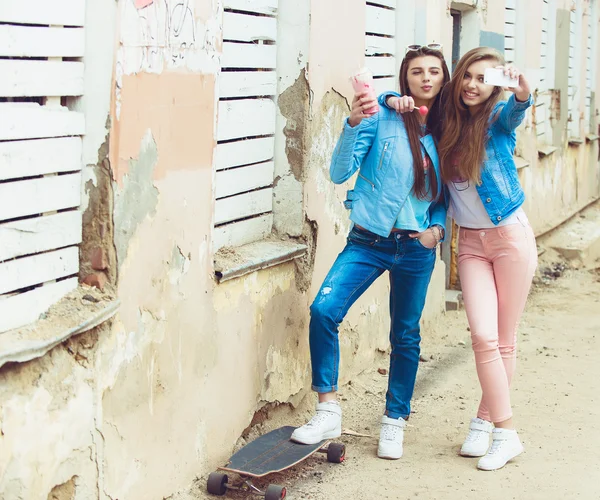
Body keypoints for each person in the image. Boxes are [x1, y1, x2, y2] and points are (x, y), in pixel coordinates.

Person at [290, 45, 450, 460]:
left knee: (405, 335)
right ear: (405, 77)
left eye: (434, 71)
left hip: (417, 247)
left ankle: (395, 420)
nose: (426, 78)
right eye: (417, 71)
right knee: (324, 311)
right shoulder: (384, 117)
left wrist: (437, 230)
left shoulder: (451, 130)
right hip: (370, 241)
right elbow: (340, 171)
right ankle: (327, 409)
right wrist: (355, 122)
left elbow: (453, 193)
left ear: (443, 78)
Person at [385, 46, 536, 470]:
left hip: (509, 237)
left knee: (503, 338)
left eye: (483, 79)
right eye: (468, 76)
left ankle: (493, 424)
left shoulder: (496, 120)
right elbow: (404, 105)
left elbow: (515, 112)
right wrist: (386, 100)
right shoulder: (444, 122)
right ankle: (501, 430)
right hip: (469, 244)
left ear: (495, 86)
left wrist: (523, 93)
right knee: (484, 337)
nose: (473, 85)